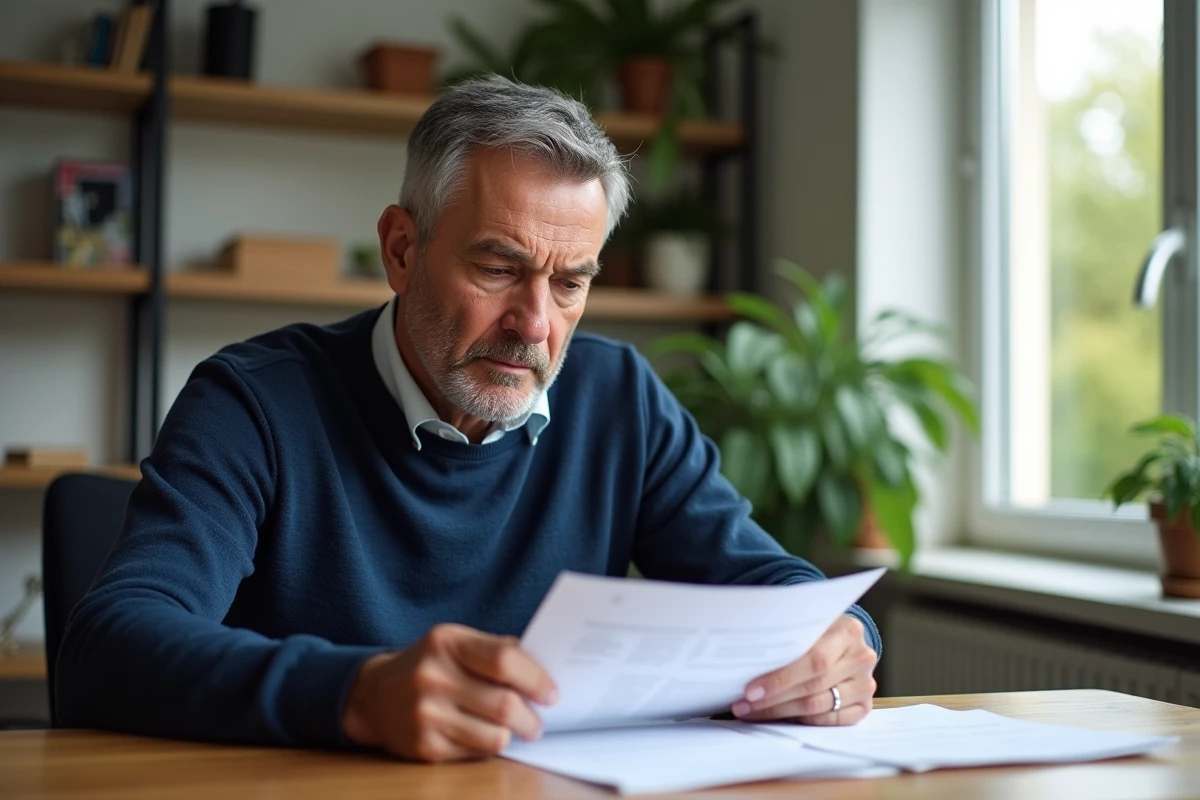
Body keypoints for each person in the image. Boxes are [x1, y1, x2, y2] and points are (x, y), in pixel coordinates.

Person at [57, 76, 881, 763]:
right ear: (401, 250)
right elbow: (109, 644)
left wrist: (839, 637)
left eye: (570, 283)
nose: (535, 325)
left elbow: (771, 586)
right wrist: (355, 692)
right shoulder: (254, 402)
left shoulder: (619, 398)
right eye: (497, 267)